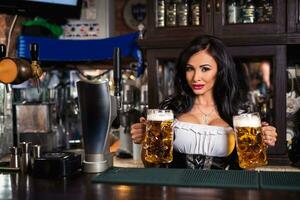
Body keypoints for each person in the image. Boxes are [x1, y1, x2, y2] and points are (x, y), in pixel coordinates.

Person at [131, 35, 277, 169]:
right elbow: (151, 166)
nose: (196, 77)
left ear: (220, 70)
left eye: (205, 69)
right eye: (190, 69)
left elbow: (247, 172)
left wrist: (260, 143)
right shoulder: (170, 109)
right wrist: (146, 141)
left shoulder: (241, 114)